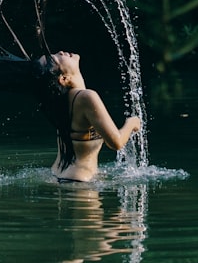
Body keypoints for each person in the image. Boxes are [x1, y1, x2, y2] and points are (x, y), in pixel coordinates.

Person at [36, 51, 142, 183]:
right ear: (64, 79)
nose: (61, 52)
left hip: (58, 175)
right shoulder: (86, 97)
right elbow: (117, 142)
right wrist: (132, 123)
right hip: (80, 182)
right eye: (57, 58)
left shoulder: (59, 100)